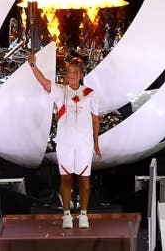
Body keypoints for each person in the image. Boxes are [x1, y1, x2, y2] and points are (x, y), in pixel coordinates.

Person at [28, 52, 102, 229]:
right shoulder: (60, 92)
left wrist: (96, 144)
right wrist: (33, 66)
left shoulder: (90, 94)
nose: (70, 75)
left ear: (81, 75)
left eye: (74, 72)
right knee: (66, 178)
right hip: (65, 142)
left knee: (84, 179)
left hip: (84, 143)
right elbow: (44, 82)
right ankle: (67, 215)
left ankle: (83, 215)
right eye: (68, 72)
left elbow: (95, 120)